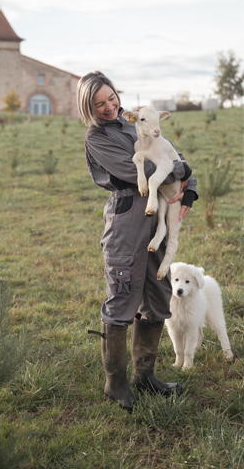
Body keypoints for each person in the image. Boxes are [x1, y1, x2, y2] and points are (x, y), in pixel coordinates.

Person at [77, 71, 198, 411]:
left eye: (111, 98)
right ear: (89, 107)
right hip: (128, 216)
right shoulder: (96, 139)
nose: (108, 107)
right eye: (99, 103)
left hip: (158, 210)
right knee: (123, 293)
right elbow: (142, 173)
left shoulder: (136, 122)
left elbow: (169, 152)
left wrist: (191, 187)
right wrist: (182, 172)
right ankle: (115, 384)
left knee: (158, 291)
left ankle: (145, 376)